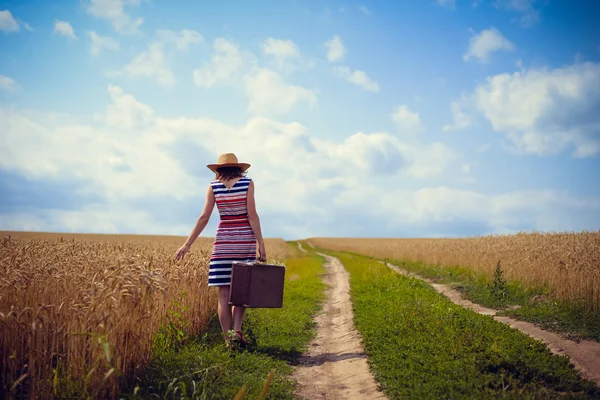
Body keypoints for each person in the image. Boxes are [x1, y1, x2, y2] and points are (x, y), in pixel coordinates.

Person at [174, 153, 266, 347]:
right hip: (244, 242)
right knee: (241, 291)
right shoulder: (248, 183)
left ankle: (227, 340)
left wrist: (187, 244)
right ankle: (237, 332)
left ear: (218, 170)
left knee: (223, 294)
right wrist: (261, 244)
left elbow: (204, 217)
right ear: (239, 168)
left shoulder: (213, 186)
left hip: (223, 243)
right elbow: (252, 216)